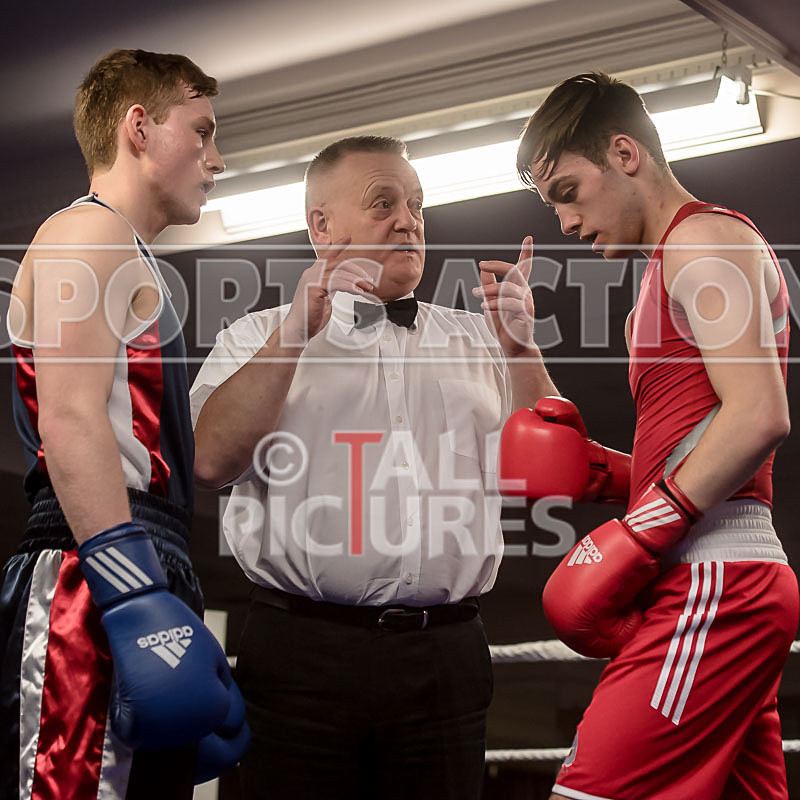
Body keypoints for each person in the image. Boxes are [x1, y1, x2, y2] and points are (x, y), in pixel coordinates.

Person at [190, 134, 556, 799]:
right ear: (322, 227)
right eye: (383, 202)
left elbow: (554, 476)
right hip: (300, 650)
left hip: (446, 656)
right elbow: (211, 460)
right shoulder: (253, 335)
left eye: (417, 205)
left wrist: (522, 352)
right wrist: (294, 337)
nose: (409, 220)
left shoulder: (479, 340)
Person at [499, 72, 798, 800]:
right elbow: (696, 444)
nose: (566, 222)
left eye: (568, 191)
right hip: (712, 580)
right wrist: (522, 353)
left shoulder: (705, 241)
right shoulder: (658, 284)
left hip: (715, 582)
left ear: (625, 154)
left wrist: (640, 531)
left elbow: (758, 414)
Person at [0, 49, 248, 799]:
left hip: (132, 558)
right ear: (138, 128)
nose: (218, 159)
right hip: (92, 567)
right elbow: (72, 423)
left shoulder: (126, 252)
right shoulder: (88, 233)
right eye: (201, 132)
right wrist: (133, 594)